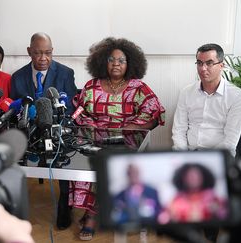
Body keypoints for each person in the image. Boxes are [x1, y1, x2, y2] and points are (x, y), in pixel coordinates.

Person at [70, 37, 165, 240]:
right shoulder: (92, 86)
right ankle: (94, 211)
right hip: (95, 139)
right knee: (86, 163)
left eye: (121, 60)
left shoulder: (138, 87)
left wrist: (131, 129)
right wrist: (89, 127)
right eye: (111, 59)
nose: (116, 64)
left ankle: (93, 216)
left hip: (128, 143)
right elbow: (79, 111)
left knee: (110, 165)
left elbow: (154, 112)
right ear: (102, 61)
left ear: (130, 63)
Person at [10, 32, 77, 230]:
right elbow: (16, 109)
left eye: (48, 53)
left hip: (58, 128)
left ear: (52, 52)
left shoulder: (65, 73)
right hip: (29, 131)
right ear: (29, 52)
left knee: (64, 157)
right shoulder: (18, 77)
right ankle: (16, 204)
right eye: (38, 53)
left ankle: (65, 202)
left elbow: (71, 108)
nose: (43, 58)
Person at [172, 43, 241, 157]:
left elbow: (230, 141)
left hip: (220, 157)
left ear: (222, 65)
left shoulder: (236, 96)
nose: (203, 68)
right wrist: (183, 157)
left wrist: (206, 160)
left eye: (209, 63)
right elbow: (179, 130)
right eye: (199, 63)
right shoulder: (186, 92)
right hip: (189, 155)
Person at [158, 163, 227, 226]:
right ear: (184, 179)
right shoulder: (176, 200)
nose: (193, 178)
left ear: (202, 177)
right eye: (190, 176)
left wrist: (217, 212)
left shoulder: (213, 197)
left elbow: (224, 215)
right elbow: (163, 218)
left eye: (196, 175)